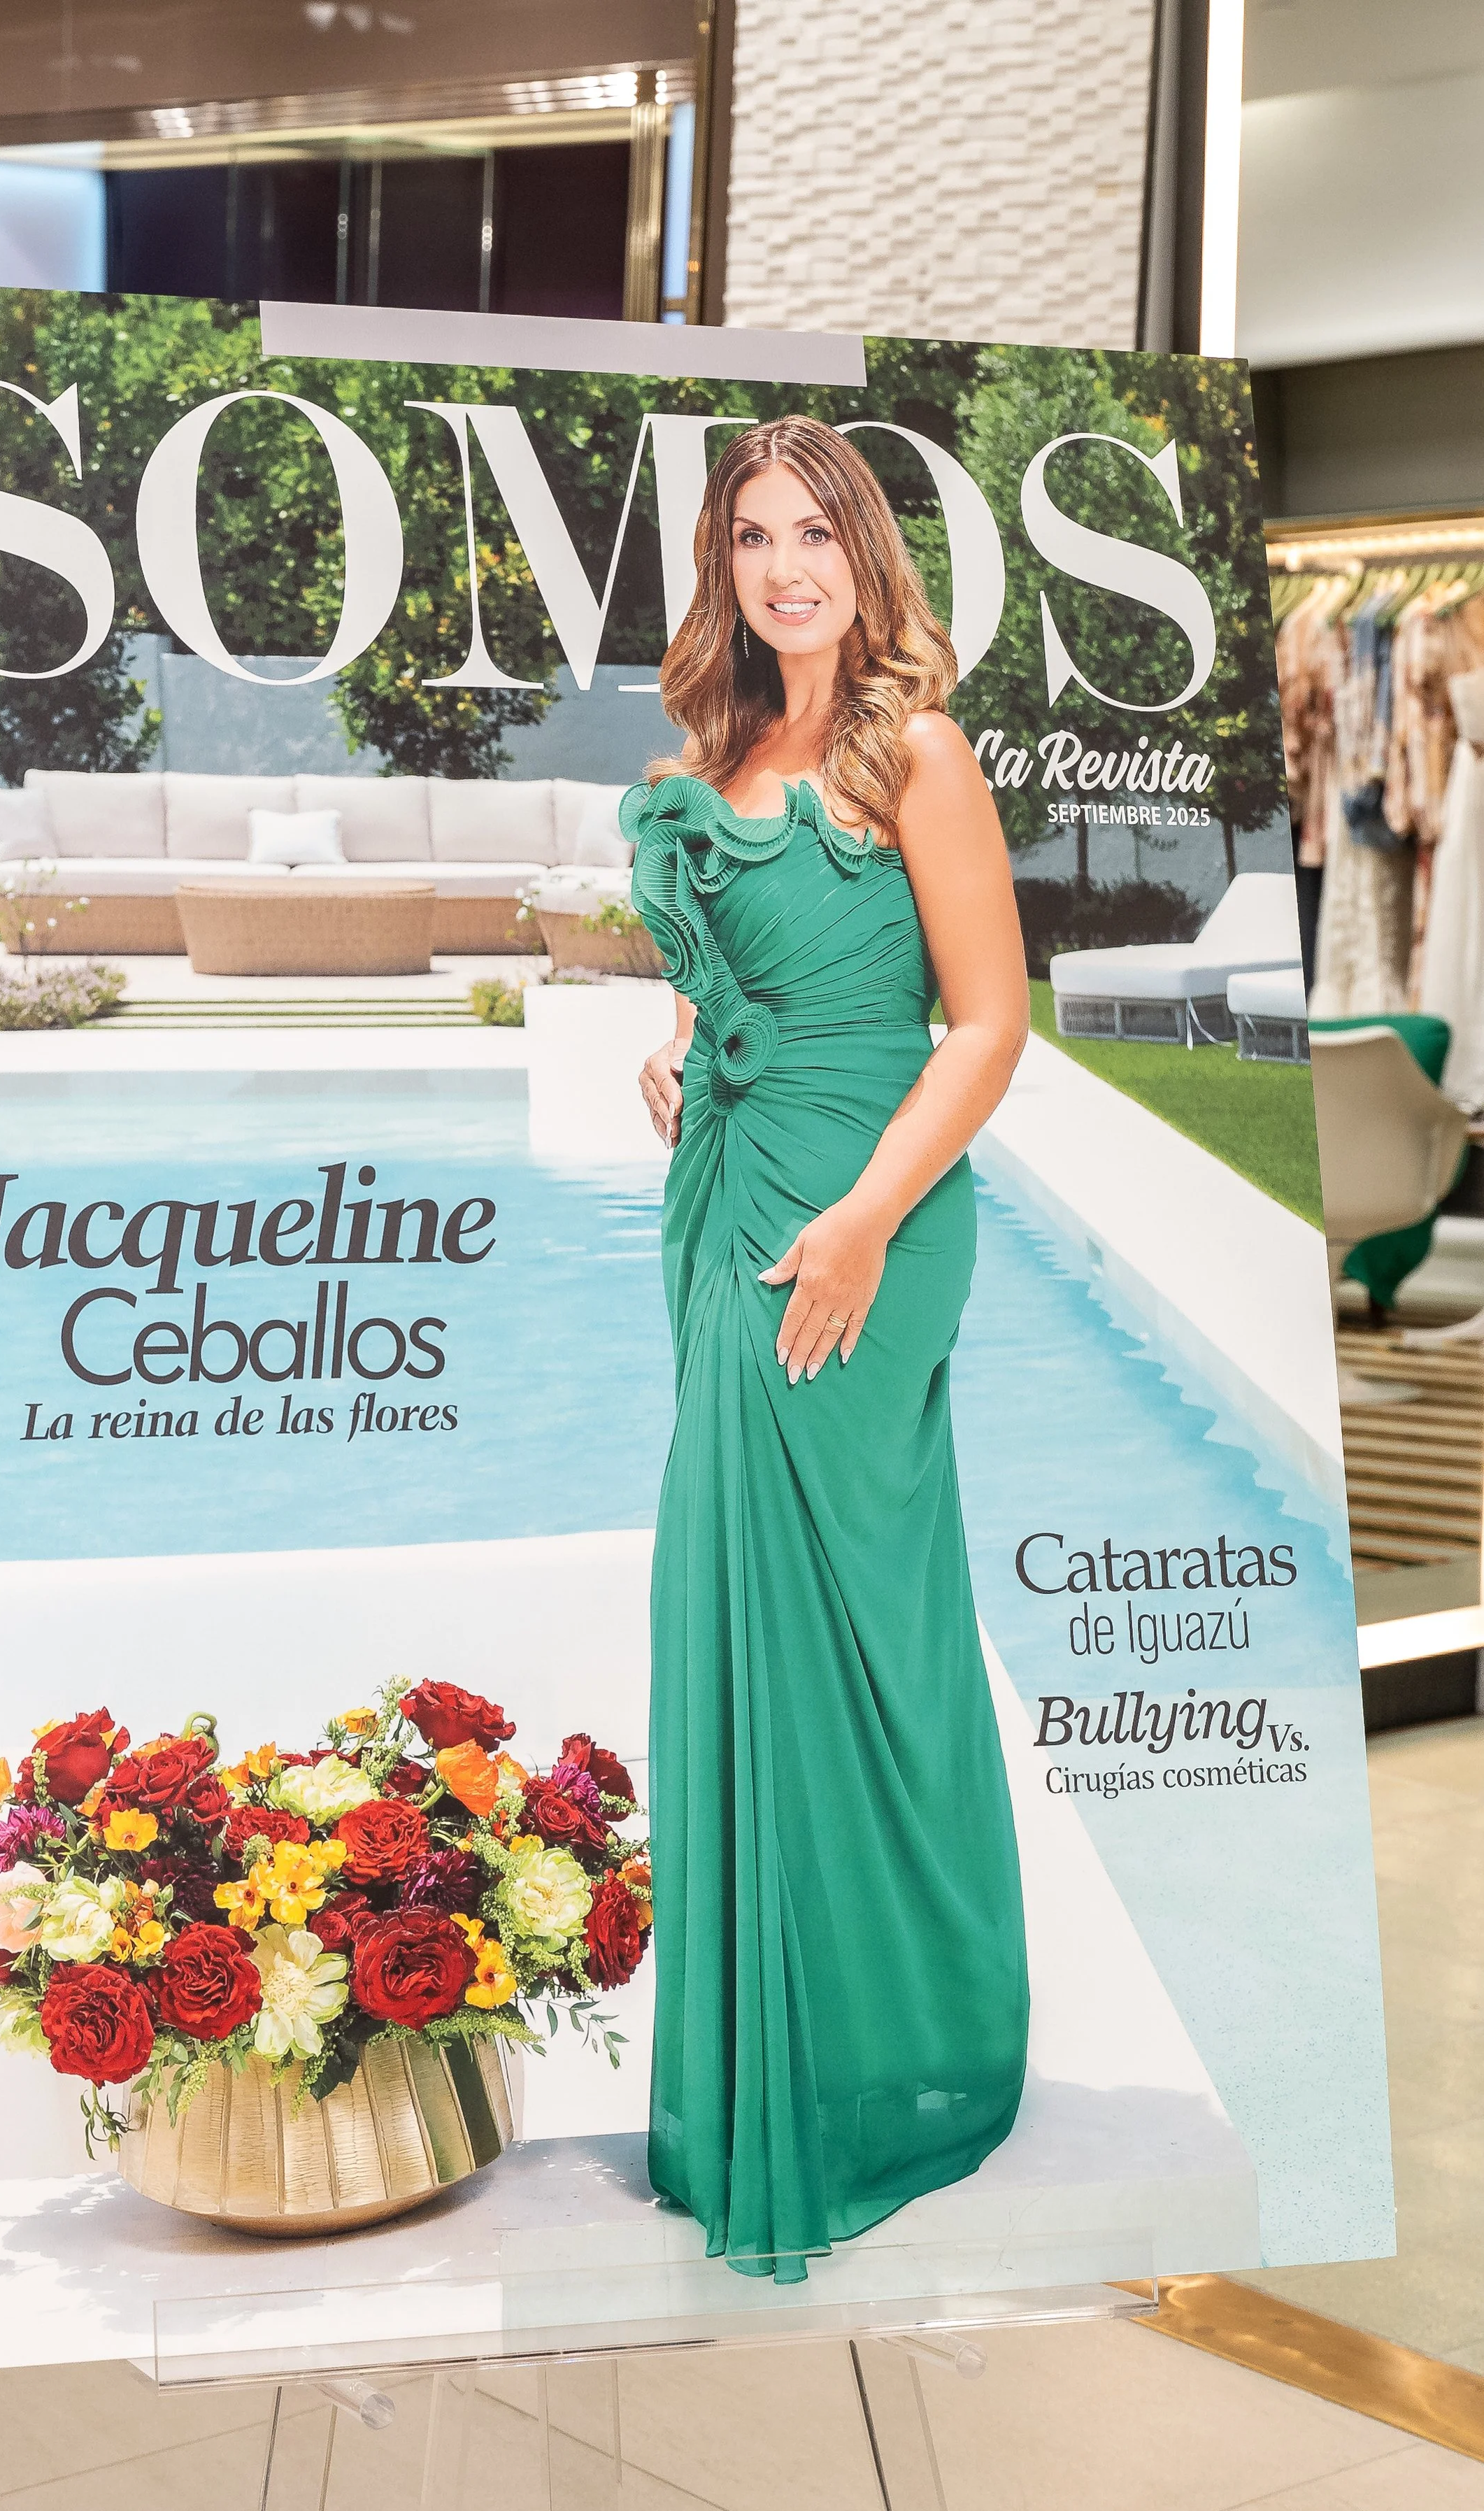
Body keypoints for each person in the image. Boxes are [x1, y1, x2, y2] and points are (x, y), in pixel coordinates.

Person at [625, 416, 1031, 2282]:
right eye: (752, 537)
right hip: (734, 1196)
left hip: (866, 1215)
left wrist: (865, 1215)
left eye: (814, 534)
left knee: (856, 1624)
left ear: (869, 559)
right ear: (724, 568)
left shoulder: (912, 751)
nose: (784, 566)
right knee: (736, 1612)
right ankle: (759, 2063)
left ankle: (898, 2054)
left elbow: (986, 1022)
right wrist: (681, 1053)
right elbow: (751, 982)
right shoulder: (732, 749)